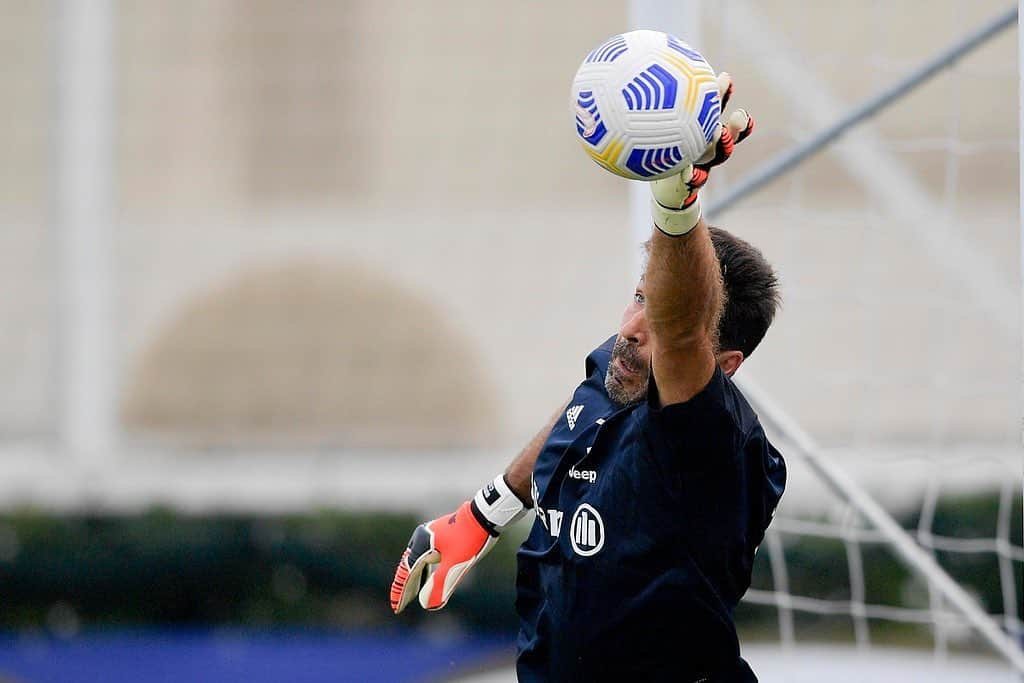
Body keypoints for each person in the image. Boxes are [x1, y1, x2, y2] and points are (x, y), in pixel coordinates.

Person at [390, 75, 786, 682]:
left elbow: (681, 331)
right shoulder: (625, 362)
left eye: (658, 315)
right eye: (635, 298)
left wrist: (677, 202)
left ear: (724, 365)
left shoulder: (707, 436)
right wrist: (482, 514)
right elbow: (582, 404)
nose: (631, 327)